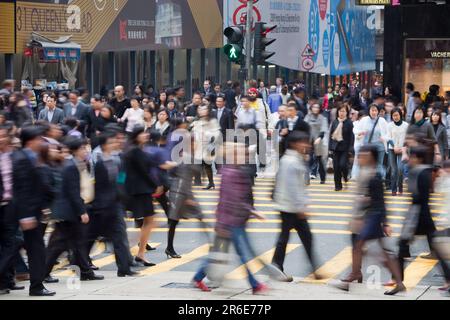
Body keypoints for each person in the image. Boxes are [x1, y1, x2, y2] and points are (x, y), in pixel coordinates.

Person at [192, 142, 268, 294]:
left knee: (225, 253)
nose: (245, 156)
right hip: (231, 221)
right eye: (242, 153)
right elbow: (232, 199)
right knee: (241, 253)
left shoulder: (234, 171)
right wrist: (253, 211)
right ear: (233, 156)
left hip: (234, 219)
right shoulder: (230, 173)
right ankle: (254, 284)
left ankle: (198, 277)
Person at [335, 144, 406, 295]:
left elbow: (380, 201)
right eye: (359, 155)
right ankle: (398, 283)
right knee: (380, 252)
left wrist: (384, 222)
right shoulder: (364, 172)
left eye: (363, 155)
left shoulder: (374, 176)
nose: (359, 158)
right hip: (370, 216)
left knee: (360, 245)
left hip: (373, 217)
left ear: (372, 157)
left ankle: (354, 274)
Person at [44, 137, 104, 283]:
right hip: (68, 211)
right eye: (83, 148)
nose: (86, 151)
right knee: (59, 245)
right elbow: (73, 192)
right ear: (76, 150)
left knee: (77, 242)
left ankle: (85, 271)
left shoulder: (75, 164)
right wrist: (82, 211)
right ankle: (43, 273)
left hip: (69, 210)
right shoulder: (71, 166)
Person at [86, 132, 138, 278]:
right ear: (104, 146)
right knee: (90, 238)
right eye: (111, 142)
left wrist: (122, 197)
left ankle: (124, 268)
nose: (115, 144)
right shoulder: (99, 162)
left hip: (115, 205)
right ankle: (80, 266)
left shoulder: (118, 160)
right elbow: (97, 186)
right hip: (101, 207)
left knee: (119, 236)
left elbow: (121, 179)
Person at [12, 126, 55, 296]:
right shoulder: (23, 159)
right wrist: (26, 215)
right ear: (30, 141)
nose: (41, 142)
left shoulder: (30, 157)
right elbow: (22, 189)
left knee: (25, 249)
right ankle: (36, 286)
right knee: (32, 250)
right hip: (27, 214)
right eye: (39, 139)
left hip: (32, 212)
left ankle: (36, 284)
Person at [272, 132, 321, 279]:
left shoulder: (296, 159)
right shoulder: (291, 161)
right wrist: (301, 207)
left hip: (290, 206)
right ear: (294, 144)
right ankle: (277, 265)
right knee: (288, 238)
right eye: (303, 142)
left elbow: (300, 186)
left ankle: (312, 268)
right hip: (289, 207)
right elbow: (292, 187)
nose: (306, 145)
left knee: (303, 237)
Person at [123, 126, 161, 267]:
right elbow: (143, 172)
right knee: (149, 221)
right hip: (139, 191)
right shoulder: (135, 151)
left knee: (149, 221)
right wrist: (155, 185)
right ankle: (137, 250)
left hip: (141, 190)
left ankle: (140, 253)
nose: (145, 135)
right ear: (136, 136)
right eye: (142, 133)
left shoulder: (138, 149)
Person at [0, 126, 24, 295]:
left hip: (11, 206)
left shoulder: (11, 156)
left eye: (3, 136)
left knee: (14, 242)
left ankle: (7, 279)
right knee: (8, 243)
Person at [192, 105, 221, 190]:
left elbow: (217, 133)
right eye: (200, 109)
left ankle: (211, 182)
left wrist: (209, 135)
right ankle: (204, 181)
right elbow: (193, 131)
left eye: (204, 109)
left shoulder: (212, 121)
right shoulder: (197, 121)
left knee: (207, 165)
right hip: (198, 145)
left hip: (208, 146)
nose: (202, 111)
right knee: (198, 163)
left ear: (208, 111)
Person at [358, 104, 388, 177]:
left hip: (380, 147)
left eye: (375, 110)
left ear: (378, 112)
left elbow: (388, 133)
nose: (374, 112)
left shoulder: (382, 120)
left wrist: (384, 138)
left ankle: (379, 180)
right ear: (369, 111)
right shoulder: (364, 120)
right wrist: (360, 133)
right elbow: (356, 129)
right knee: (367, 166)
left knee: (379, 165)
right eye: (372, 110)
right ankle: (368, 181)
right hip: (367, 148)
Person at [329, 105, 354, 191]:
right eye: (340, 111)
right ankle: (338, 186)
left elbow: (351, 136)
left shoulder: (349, 123)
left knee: (342, 165)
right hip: (336, 147)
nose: (341, 113)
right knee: (336, 167)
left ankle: (346, 176)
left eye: (343, 111)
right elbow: (331, 135)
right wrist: (330, 147)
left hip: (345, 148)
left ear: (346, 112)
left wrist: (351, 148)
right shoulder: (335, 122)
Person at [387, 108, 409, 196]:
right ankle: (393, 189)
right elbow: (388, 137)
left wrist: (403, 148)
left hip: (402, 149)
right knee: (393, 170)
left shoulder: (406, 125)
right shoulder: (389, 125)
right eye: (393, 115)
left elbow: (407, 138)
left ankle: (400, 188)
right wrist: (394, 147)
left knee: (400, 169)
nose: (395, 117)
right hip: (392, 149)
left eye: (397, 115)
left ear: (401, 115)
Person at [304, 103, 328, 184]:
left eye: (317, 107)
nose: (316, 109)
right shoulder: (308, 117)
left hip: (318, 141)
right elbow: (304, 126)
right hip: (309, 141)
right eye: (314, 107)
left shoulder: (322, 118)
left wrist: (319, 138)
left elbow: (323, 130)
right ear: (311, 108)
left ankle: (323, 178)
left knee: (320, 161)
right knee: (307, 160)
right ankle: (306, 179)